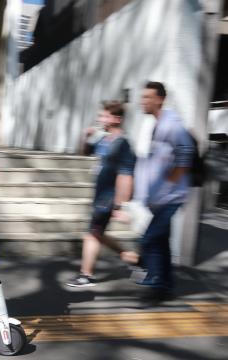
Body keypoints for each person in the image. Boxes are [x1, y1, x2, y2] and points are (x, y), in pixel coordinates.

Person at [66, 101, 139, 287]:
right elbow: (83, 153)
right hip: (100, 196)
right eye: (100, 115)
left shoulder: (123, 144)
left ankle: (86, 275)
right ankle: (132, 257)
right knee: (97, 233)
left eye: (104, 116)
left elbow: (126, 176)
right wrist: (86, 136)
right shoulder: (103, 140)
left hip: (109, 197)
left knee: (92, 234)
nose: (100, 119)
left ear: (117, 119)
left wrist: (119, 205)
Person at [136, 81, 194, 302]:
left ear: (160, 99)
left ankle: (154, 277)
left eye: (148, 97)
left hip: (172, 197)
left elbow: (186, 151)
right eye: (143, 97)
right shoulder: (158, 125)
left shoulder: (171, 124)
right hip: (162, 197)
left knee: (149, 239)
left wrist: (172, 180)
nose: (144, 101)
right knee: (161, 242)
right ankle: (165, 286)